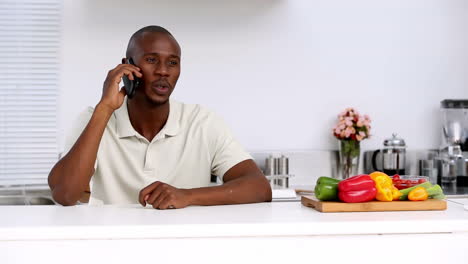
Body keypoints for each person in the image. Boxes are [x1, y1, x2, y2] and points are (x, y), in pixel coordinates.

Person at [48, 25, 272, 209]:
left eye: (172, 63)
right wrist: (105, 108)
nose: (164, 71)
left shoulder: (202, 122)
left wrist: (186, 196)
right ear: (127, 66)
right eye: (152, 60)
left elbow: (259, 187)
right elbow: (65, 194)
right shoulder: (95, 118)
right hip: (114, 247)